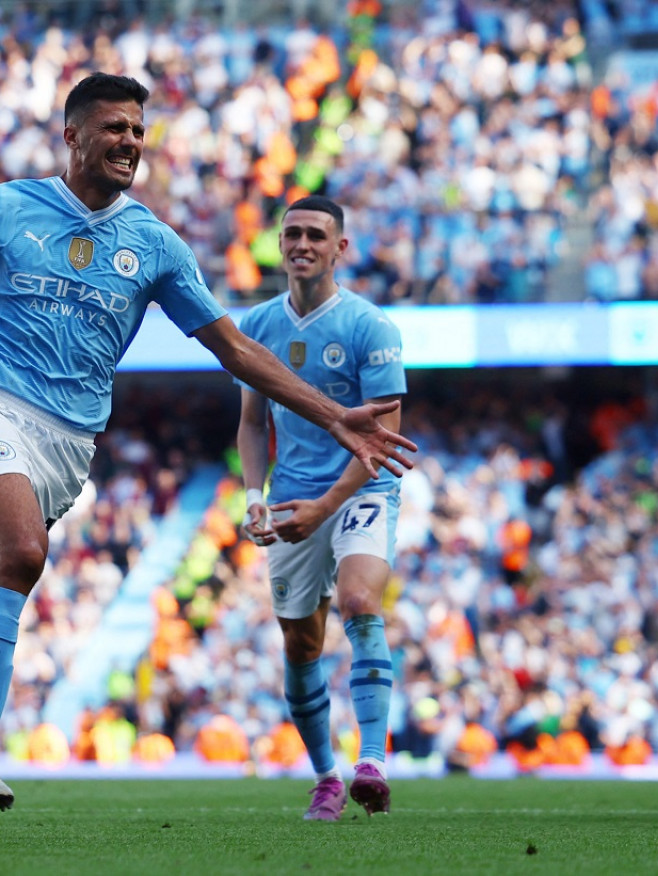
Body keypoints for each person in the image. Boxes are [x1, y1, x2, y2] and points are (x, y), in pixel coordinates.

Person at [0, 73, 415, 812]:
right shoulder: (8, 207)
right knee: (24, 553)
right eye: (115, 128)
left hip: (67, 445)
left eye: (137, 129)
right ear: (73, 135)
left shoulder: (154, 244)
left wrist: (331, 414)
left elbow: (233, 348)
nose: (130, 141)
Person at [236, 195, 406, 820]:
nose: (301, 244)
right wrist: (256, 497)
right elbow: (253, 425)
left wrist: (325, 507)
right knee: (301, 645)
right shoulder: (256, 326)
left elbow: (382, 442)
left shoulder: (371, 327)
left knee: (361, 602)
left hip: (363, 488)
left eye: (315, 235)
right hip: (290, 498)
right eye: (291, 235)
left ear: (341, 249)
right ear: (280, 246)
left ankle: (372, 763)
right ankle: (326, 776)